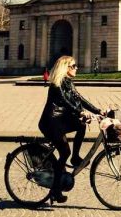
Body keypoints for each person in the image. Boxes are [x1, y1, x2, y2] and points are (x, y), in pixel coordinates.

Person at [38, 56, 103, 203]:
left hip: (60, 121)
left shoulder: (68, 82)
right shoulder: (57, 84)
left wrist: (98, 111)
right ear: (65, 68)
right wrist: (80, 112)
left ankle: (75, 157)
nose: (76, 68)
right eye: (73, 66)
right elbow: (64, 101)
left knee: (81, 124)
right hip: (51, 122)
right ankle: (55, 190)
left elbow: (80, 99)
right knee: (64, 152)